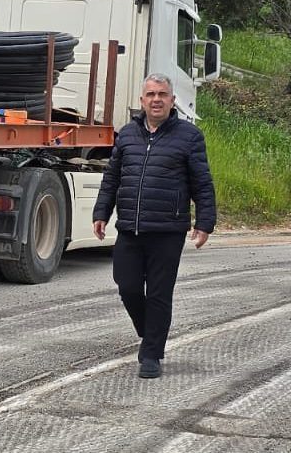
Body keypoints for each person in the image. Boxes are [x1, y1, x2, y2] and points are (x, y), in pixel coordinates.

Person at [92, 73, 216, 379]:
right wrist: (101, 212)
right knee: (128, 286)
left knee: (159, 293)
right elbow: (113, 178)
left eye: (162, 94)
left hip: (167, 230)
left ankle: (151, 354)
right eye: (151, 94)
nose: (156, 99)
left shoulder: (189, 136)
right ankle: (150, 332)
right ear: (142, 101)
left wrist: (204, 222)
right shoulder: (127, 135)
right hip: (130, 228)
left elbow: (202, 182)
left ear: (172, 101)